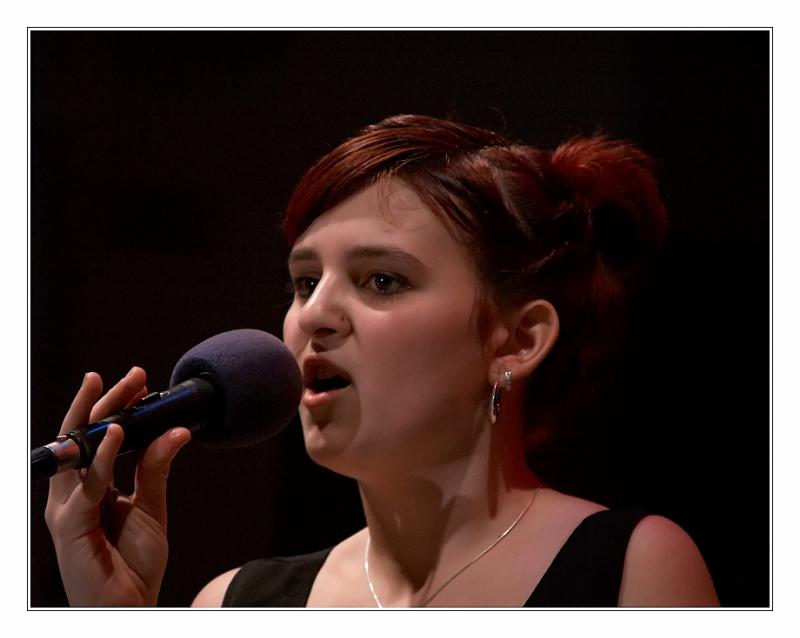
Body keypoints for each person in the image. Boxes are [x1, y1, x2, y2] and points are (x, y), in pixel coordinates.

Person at [44, 114, 719, 607]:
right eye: (305, 282)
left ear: (517, 341)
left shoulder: (633, 571)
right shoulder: (233, 604)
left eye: (382, 280)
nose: (314, 314)